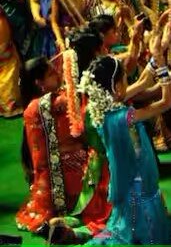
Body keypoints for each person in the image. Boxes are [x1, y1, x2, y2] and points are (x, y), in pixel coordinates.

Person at [80, 13, 171, 245]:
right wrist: (162, 67)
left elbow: (143, 82)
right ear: (115, 86)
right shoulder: (125, 116)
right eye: (124, 79)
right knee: (141, 233)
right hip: (138, 182)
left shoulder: (104, 107)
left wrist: (156, 55)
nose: (127, 83)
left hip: (128, 182)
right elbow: (167, 102)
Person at [17, 28, 112, 243]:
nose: (57, 73)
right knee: (104, 170)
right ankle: (77, 221)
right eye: (52, 73)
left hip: (70, 163)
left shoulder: (50, 101)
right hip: (67, 169)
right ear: (39, 84)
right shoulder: (42, 106)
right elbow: (78, 101)